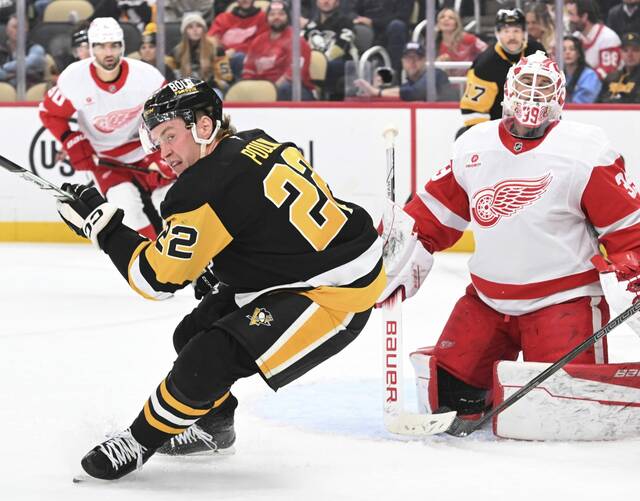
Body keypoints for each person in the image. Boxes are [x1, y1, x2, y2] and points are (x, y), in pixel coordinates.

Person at [55, 77, 385, 480]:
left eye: (170, 136)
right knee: (191, 333)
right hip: (315, 263)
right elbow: (266, 220)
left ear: (205, 126)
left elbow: (156, 279)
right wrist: (219, 264)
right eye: (158, 142)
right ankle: (214, 428)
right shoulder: (253, 141)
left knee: (209, 356)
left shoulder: (204, 188)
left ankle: (139, 441)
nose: (164, 153)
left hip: (335, 292)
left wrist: (103, 228)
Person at [379, 50, 640, 418]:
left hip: (564, 302)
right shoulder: (474, 144)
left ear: (560, 98)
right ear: (507, 91)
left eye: (543, 87)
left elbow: (627, 227)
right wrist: (397, 245)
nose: (533, 96)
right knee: (451, 401)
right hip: (487, 301)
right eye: (526, 86)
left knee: (563, 412)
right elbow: (435, 213)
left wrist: (634, 270)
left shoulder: (586, 150)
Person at [39, 17, 173, 240]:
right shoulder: (74, 78)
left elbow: (170, 116)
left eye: (114, 45)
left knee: (171, 201)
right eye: (101, 46)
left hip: (147, 149)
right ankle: (152, 264)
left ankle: (194, 261)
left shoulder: (147, 77)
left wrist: (167, 149)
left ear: (123, 46)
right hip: (106, 157)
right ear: (91, 48)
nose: (108, 52)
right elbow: (49, 113)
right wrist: (72, 140)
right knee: (127, 211)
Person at [458, 8, 545, 135]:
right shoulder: (485, 65)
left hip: (534, 126)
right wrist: (486, 137)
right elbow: (473, 110)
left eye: (516, 30)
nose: (512, 36)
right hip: (498, 131)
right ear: (497, 34)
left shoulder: (536, 52)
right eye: (506, 31)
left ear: (524, 33)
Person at [241, 0, 315, 101]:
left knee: (285, 89)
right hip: (263, 89)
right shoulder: (258, 41)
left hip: (294, 90)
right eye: (272, 14)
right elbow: (248, 69)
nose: (276, 17)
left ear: (288, 18)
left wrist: (270, 90)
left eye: (281, 14)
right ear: (266, 19)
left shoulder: (297, 41)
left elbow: (294, 73)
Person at [353, 41, 457, 101]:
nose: (412, 62)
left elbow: (415, 92)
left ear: (424, 60)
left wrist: (377, 92)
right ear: (402, 61)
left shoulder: (436, 74)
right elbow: (406, 90)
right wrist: (377, 89)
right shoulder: (409, 84)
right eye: (408, 58)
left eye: (417, 58)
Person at [303, 0, 356, 99]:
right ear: (317, 2)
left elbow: (340, 47)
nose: (326, 1)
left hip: (338, 62)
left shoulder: (346, 21)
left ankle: (325, 100)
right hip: (313, 62)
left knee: (332, 65)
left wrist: (320, 62)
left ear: (337, 2)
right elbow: (302, 45)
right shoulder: (311, 24)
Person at [346, 0, 414, 76]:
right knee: (348, 26)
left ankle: (393, 75)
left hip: (389, 30)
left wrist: (373, 22)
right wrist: (357, 19)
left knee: (397, 26)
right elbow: (350, 10)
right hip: (365, 29)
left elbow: (402, 16)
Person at [173, 11, 234, 96]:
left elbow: (226, 78)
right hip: (185, 92)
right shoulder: (177, 52)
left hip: (211, 90)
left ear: (204, 29)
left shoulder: (216, 50)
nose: (195, 30)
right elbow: (171, 78)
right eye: (190, 27)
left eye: (198, 26)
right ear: (184, 32)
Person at [207, 0, 269, 79]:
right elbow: (210, 39)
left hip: (249, 61)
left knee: (239, 57)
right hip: (223, 61)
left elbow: (261, 43)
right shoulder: (223, 18)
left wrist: (235, 50)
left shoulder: (262, 17)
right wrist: (221, 51)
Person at [566, 0, 621, 80]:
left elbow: (608, 73)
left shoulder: (608, 38)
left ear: (584, 16)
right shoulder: (575, 37)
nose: (569, 19)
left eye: (571, 14)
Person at [434, 7, 487, 77]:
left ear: (456, 23)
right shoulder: (434, 44)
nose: (446, 19)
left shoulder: (468, 39)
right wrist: (438, 61)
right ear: (438, 24)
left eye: (451, 18)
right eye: (442, 17)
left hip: (469, 82)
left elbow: (488, 52)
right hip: (445, 85)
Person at [0, 14, 46, 88]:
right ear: (7, 30)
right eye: (15, 27)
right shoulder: (1, 49)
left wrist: (3, 68)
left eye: (22, 27)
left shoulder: (36, 49)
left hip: (30, 91)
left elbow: (29, 62)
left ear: (26, 30)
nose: (18, 30)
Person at [599, 31, 640, 102]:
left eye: (635, 50)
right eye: (625, 50)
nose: (630, 55)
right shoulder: (611, 77)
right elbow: (598, 103)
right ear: (620, 53)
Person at [563, 35, 602, 103]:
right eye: (564, 49)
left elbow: (582, 103)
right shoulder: (559, 74)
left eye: (572, 49)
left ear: (579, 53)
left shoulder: (590, 75)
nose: (567, 52)